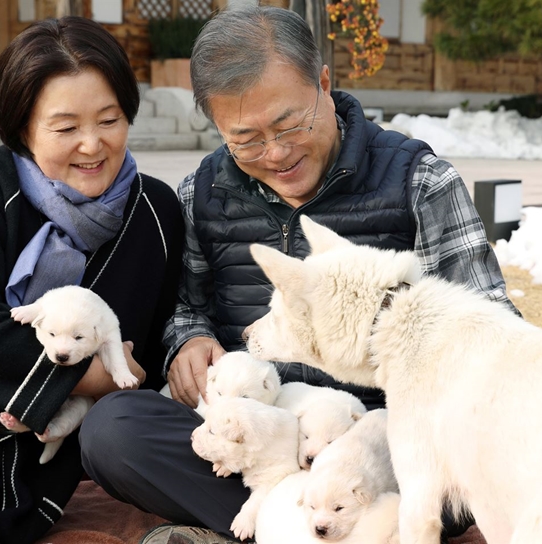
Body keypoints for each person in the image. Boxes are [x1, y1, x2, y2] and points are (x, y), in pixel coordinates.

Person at [79, 6, 518, 544]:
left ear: (324, 84)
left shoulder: (418, 181)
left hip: (379, 444)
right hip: (256, 436)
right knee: (112, 431)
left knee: (445, 474)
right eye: (247, 139)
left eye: (290, 124)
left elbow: (491, 328)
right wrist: (187, 341)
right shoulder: (203, 192)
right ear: (219, 128)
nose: (277, 153)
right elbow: (186, 307)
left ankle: (270, 528)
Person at [0, 16, 183, 544]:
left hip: (23, 457)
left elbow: (164, 336)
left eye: (110, 120)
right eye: (66, 127)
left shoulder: (157, 214)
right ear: (23, 127)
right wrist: (88, 376)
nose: (92, 146)